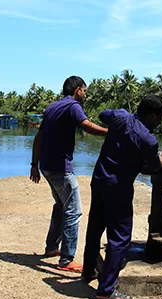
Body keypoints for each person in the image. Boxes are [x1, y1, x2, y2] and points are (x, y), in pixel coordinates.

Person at [82, 95, 162, 299]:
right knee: (120, 237)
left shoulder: (120, 118)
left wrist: (121, 115)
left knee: (95, 227)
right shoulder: (149, 140)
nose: (160, 122)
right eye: (160, 117)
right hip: (119, 187)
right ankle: (106, 290)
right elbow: (150, 167)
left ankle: (89, 272)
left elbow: (103, 114)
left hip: (99, 180)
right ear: (152, 115)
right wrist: (160, 161)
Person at [30, 76, 107, 273]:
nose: (86, 95)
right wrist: (110, 131)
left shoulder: (52, 107)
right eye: (85, 90)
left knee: (60, 206)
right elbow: (87, 126)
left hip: (47, 165)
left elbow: (38, 137)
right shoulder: (73, 106)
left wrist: (34, 164)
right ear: (77, 90)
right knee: (74, 210)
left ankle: (51, 247)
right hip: (59, 166)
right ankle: (66, 259)